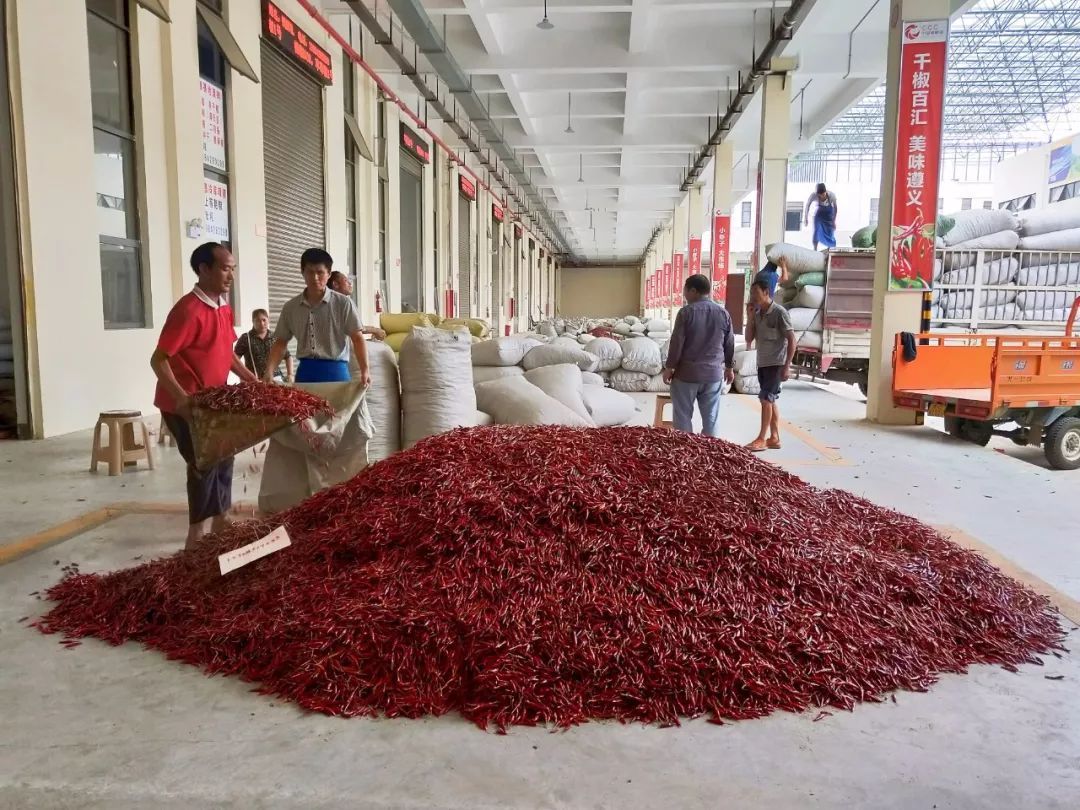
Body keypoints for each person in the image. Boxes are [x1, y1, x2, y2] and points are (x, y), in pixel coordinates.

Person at [150, 242, 258, 549]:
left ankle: (221, 519)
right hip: (184, 405)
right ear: (203, 269)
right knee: (203, 463)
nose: (231, 276)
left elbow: (227, 354)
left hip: (213, 403)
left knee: (224, 455)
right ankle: (196, 533)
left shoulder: (222, 307)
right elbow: (158, 360)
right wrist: (182, 398)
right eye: (225, 269)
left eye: (233, 269)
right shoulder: (188, 311)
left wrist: (253, 380)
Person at [264, 249, 371, 386]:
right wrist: (269, 370)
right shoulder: (291, 308)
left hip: (336, 374)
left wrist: (365, 370)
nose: (315, 277)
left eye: (320, 272)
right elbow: (280, 343)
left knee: (338, 408)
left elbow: (357, 338)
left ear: (328, 274)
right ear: (302, 272)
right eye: (310, 272)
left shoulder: (343, 303)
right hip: (305, 375)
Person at [661, 274, 736, 438]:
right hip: (713, 376)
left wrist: (669, 367)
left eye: (685, 291)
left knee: (682, 417)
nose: (684, 295)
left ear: (693, 291)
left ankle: (687, 454)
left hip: (686, 376)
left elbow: (677, 343)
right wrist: (729, 368)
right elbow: (729, 343)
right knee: (711, 419)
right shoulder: (723, 314)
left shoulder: (686, 313)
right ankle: (710, 453)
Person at [744, 279, 796, 452]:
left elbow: (791, 340)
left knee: (765, 399)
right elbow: (748, 339)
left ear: (766, 292)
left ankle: (761, 438)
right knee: (770, 400)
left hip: (777, 363)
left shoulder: (780, 313)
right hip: (763, 363)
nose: (753, 297)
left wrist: (787, 365)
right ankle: (774, 437)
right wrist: (750, 317)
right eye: (751, 293)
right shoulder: (758, 314)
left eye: (755, 293)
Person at [234, 309, 293, 381]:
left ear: (268, 320)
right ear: (253, 322)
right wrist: (243, 375)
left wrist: (290, 375)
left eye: (264, 320)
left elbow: (288, 356)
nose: (262, 323)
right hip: (254, 381)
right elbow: (235, 359)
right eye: (258, 320)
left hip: (275, 379)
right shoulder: (246, 338)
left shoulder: (275, 337)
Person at [327, 270, 386, 340]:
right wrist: (375, 330)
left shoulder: (328, 301)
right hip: (345, 347)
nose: (350, 283)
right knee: (385, 349)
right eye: (346, 280)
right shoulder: (345, 302)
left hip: (344, 344)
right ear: (335, 284)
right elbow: (358, 328)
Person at [804, 183, 838, 250]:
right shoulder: (814, 195)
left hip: (829, 213)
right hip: (820, 213)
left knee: (830, 232)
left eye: (823, 194)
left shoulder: (831, 195)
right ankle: (815, 249)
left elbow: (836, 208)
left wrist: (834, 221)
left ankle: (830, 249)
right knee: (816, 230)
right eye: (820, 195)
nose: (822, 196)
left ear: (825, 192)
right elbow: (807, 205)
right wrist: (806, 218)